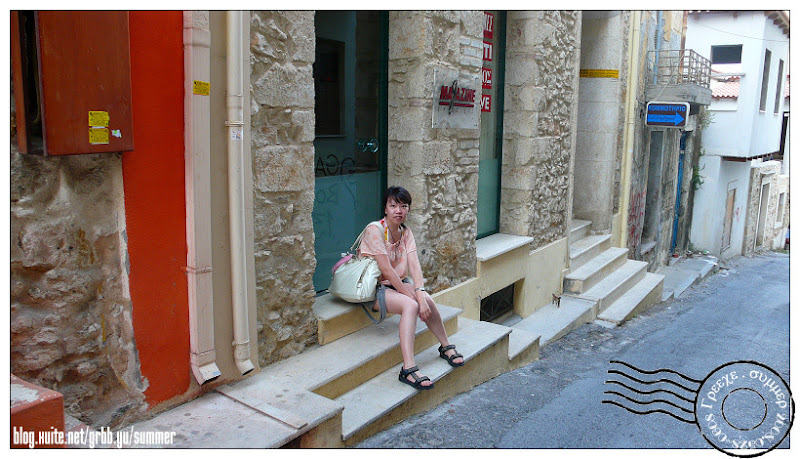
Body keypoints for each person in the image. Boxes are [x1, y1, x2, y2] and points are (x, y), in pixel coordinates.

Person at [358, 186, 464, 390]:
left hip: (396, 284)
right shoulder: (375, 230)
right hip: (374, 288)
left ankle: (445, 346)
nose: (398, 210)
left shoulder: (405, 232)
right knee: (411, 306)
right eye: (393, 206)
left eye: (403, 206)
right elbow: (386, 270)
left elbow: (415, 265)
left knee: (427, 300)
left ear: (408, 209)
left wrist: (420, 293)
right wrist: (414, 297)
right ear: (385, 208)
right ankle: (408, 369)